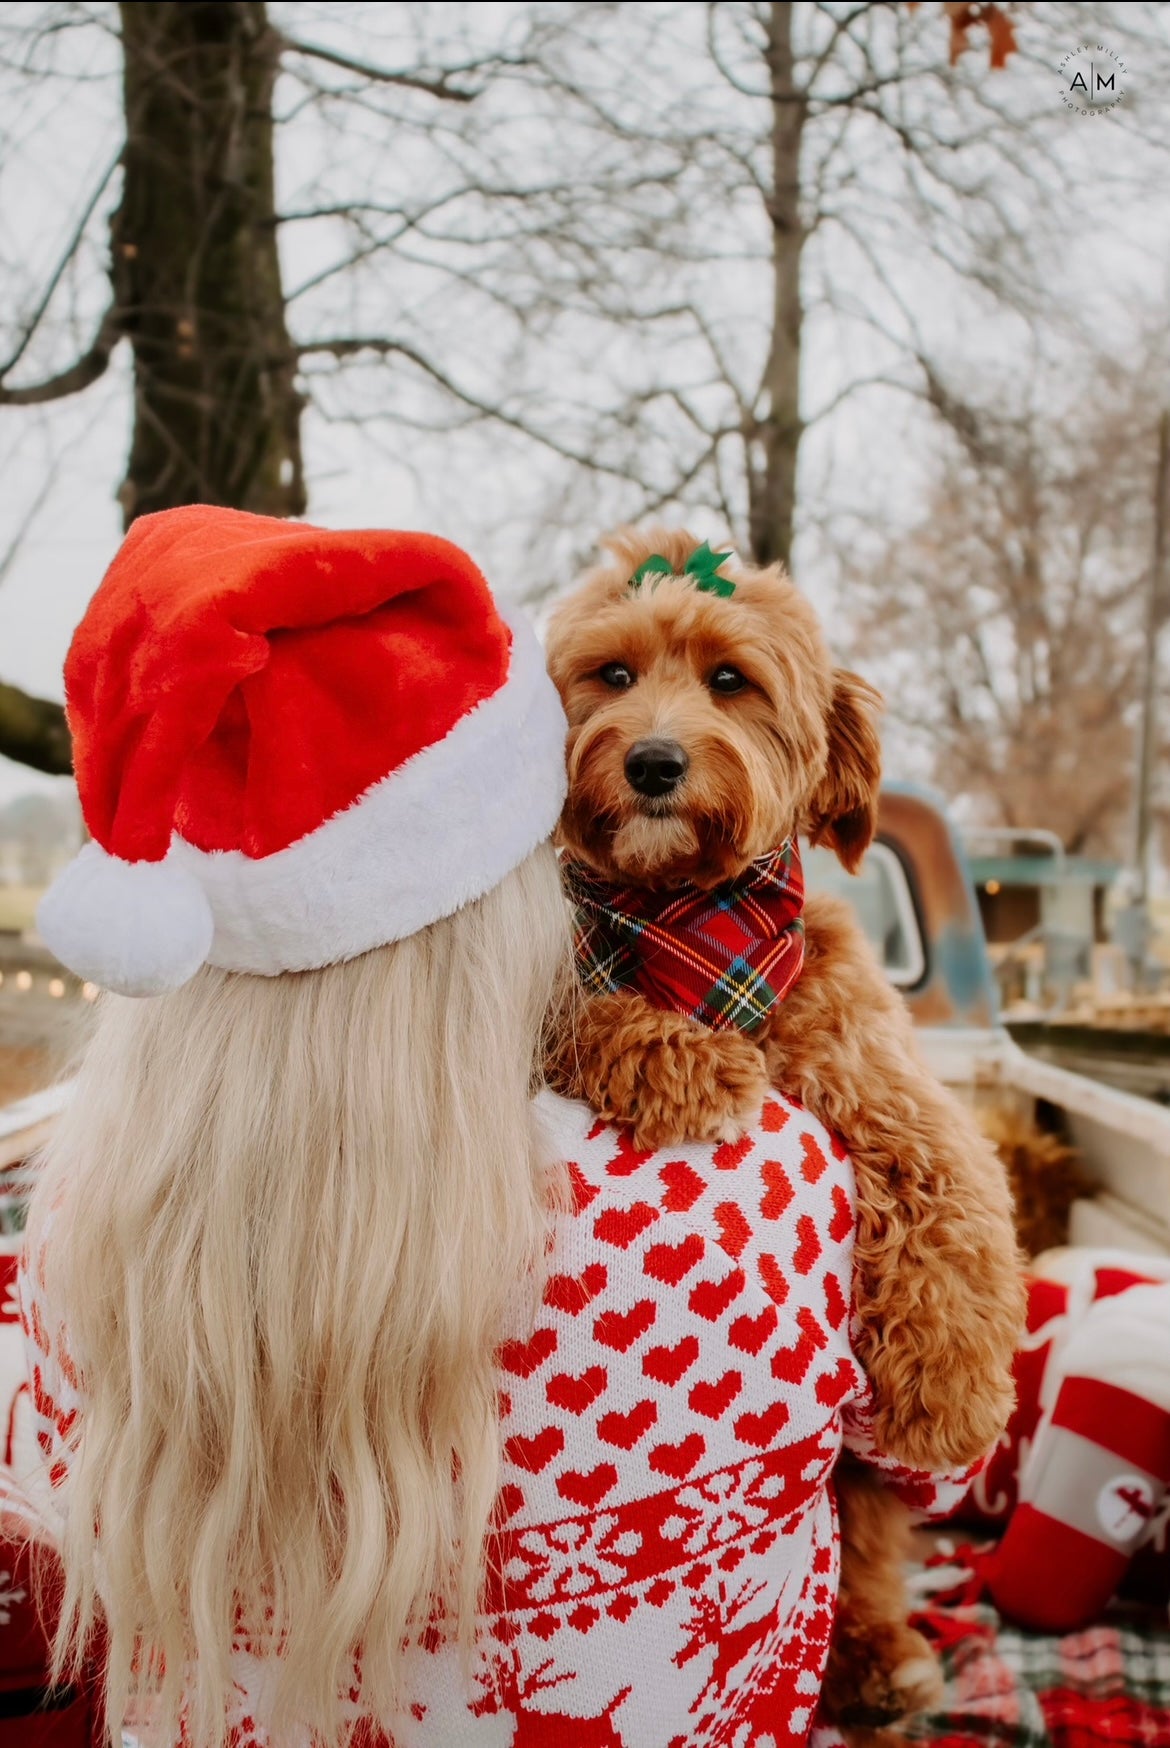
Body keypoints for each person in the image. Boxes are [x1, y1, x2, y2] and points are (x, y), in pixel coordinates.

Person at [22, 505, 974, 1748]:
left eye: (726, 685)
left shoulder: (81, 1232)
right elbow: (925, 1455)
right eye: (615, 679)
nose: (660, 731)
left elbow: (42, 1539)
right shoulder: (778, 1189)